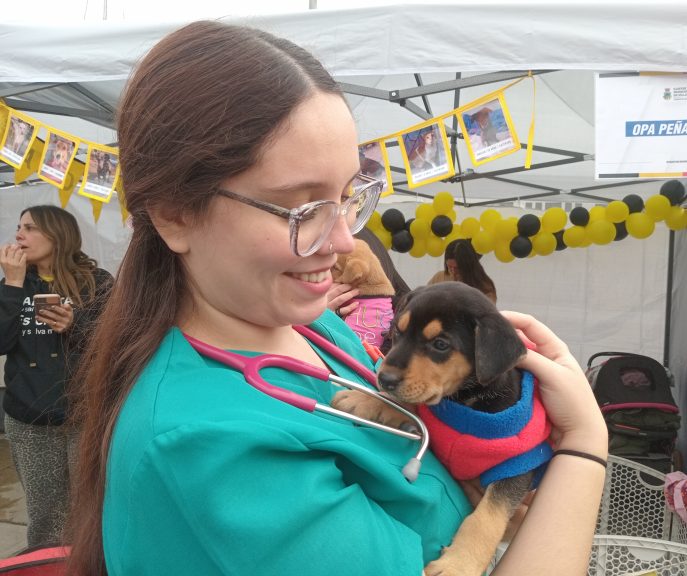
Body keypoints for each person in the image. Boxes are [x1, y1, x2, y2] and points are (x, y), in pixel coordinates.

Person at [66, 21, 607, 576]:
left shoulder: (314, 329)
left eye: (349, 196)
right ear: (175, 215)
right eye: (301, 209)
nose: (346, 240)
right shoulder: (212, 446)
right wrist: (585, 448)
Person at [0, 205, 113, 550]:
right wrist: (14, 286)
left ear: (57, 234)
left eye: (30, 227)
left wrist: (73, 325)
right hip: (30, 417)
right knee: (47, 515)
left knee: (92, 507)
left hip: (85, 415)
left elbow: (116, 342)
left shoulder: (97, 282)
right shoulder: (12, 284)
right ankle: (47, 566)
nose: (19, 234)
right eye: (19, 227)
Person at [428, 238, 498, 303]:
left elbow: (487, 313)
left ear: (468, 265)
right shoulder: (439, 277)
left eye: (457, 268)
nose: (453, 271)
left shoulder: (484, 285)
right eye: (449, 267)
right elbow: (424, 300)